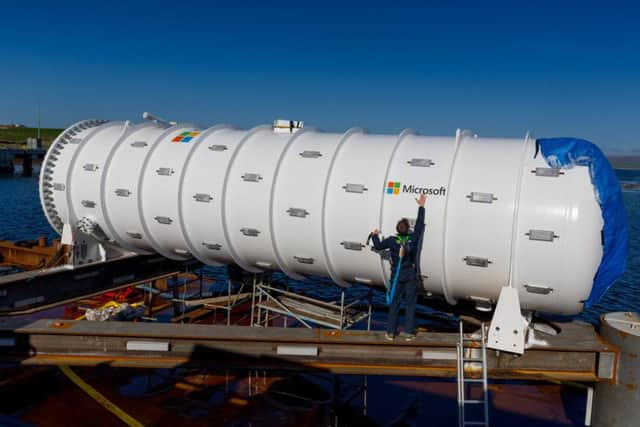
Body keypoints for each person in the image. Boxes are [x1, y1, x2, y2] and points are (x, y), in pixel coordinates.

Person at [371, 193, 426, 341]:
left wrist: (374, 234)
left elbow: (377, 246)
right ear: (408, 229)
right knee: (410, 304)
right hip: (410, 276)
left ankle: (390, 332)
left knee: (394, 304)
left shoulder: (391, 241)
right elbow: (420, 226)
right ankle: (408, 332)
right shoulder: (412, 240)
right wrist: (421, 207)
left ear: (397, 229)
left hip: (396, 276)